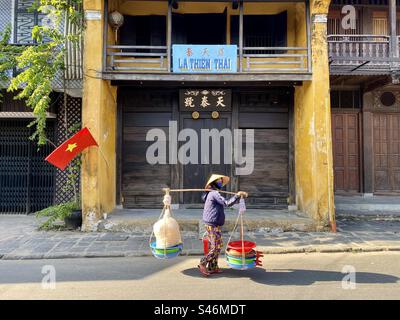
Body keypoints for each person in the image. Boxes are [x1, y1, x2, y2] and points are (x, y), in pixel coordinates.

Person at [198, 174, 247, 276]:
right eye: (219, 181)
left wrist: (238, 196)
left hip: (215, 223)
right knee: (215, 246)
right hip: (211, 224)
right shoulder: (214, 193)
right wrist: (237, 195)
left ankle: (213, 266)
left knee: (218, 245)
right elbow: (227, 203)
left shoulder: (213, 193)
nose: (220, 183)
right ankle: (203, 262)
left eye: (221, 181)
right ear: (214, 183)